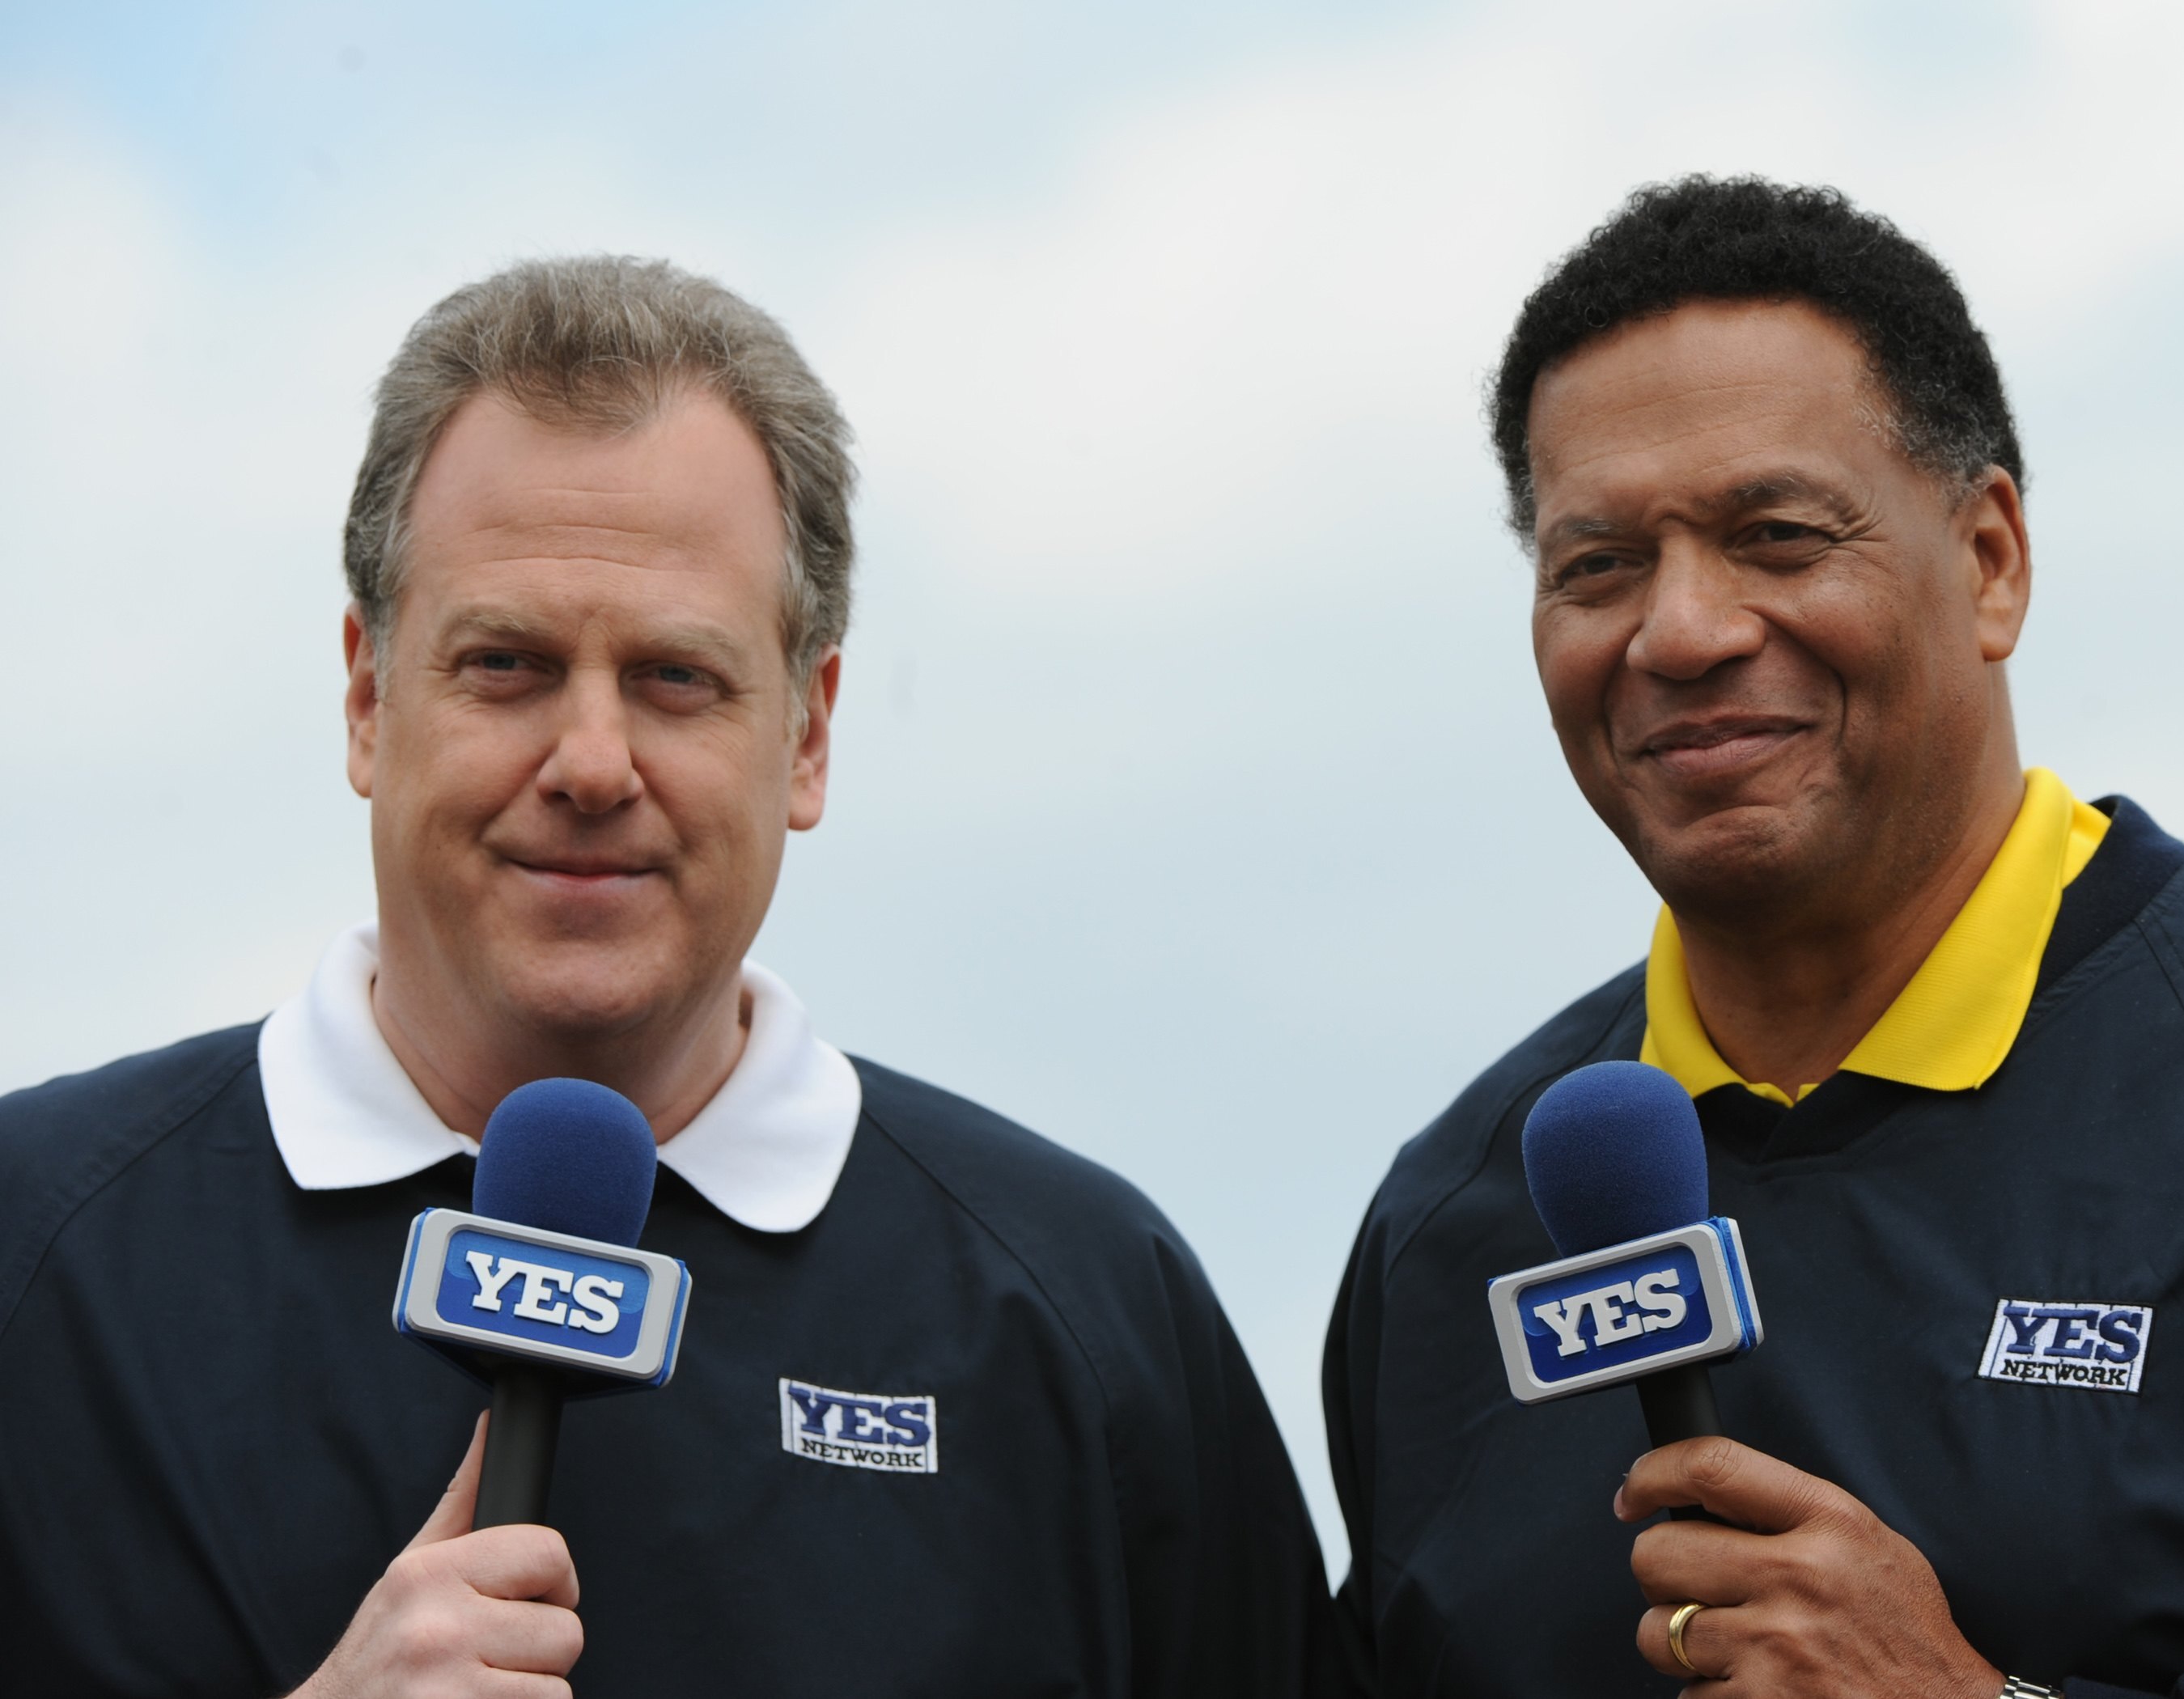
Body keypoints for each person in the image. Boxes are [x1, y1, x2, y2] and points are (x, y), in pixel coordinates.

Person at [0, 256, 1335, 1696]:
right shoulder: (30, 1253)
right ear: (369, 698)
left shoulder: (1089, 1309)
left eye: (675, 679)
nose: (589, 765)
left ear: (809, 733)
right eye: (505, 664)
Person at [1321, 177, 2184, 1699]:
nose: (1683, 631)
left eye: (1776, 535)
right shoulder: (1451, 1228)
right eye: (1599, 565)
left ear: (1990, 561)